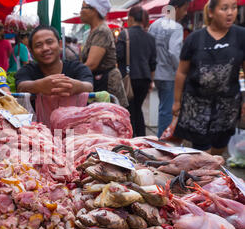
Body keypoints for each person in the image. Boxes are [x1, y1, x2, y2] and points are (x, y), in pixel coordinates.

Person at [172, 0, 245, 155]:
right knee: (200, 149)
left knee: (219, 146)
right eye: (224, 8)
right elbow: (182, 72)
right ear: (211, 12)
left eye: (234, 8)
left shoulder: (241, 36)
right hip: (197, 104)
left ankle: (213, 169)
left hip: (227, 105)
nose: (230, 12)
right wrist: (177, 101)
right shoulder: (194, 38)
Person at [15, 25, 94, 126]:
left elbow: (89, 85)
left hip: (75, 130)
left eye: (49, 42)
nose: (45, 48)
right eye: (38, 45)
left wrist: (76, 86)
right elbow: (21, 86)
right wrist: (38, 86)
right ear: (31, 50)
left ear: (60, 44)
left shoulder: (77, 67)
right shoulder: (27, 70)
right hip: (40, 133)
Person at [148, 0, 190, 138]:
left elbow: (149, 50)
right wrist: (180, 70)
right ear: (176, 8)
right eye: (184, 9)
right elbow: (174, 52)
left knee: (163, 109)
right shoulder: (176, 27)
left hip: (156, 73)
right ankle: (163, 144)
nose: (185, 13)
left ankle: (162, 141)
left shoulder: (154, 25)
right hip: (169, 74)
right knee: (167, 111)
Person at [80, 0, 129, 108]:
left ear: (95, 10)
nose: (81, 12)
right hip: (99, 81)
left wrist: (74, 76)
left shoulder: (101, 31)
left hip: (107, 84)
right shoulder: (93, 31)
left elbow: (92, 64)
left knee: (110, 120)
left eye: (83, 8)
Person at [116, 6, 157, 137]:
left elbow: (118, 56)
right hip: (145, 79)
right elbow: (153, 63)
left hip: (129, 78)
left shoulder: (124, 34)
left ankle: (132, 137)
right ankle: (141, 137)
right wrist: (151, 81)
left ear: (131, 18)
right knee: (138, 108)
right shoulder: (150, 37)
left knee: (129, 110)